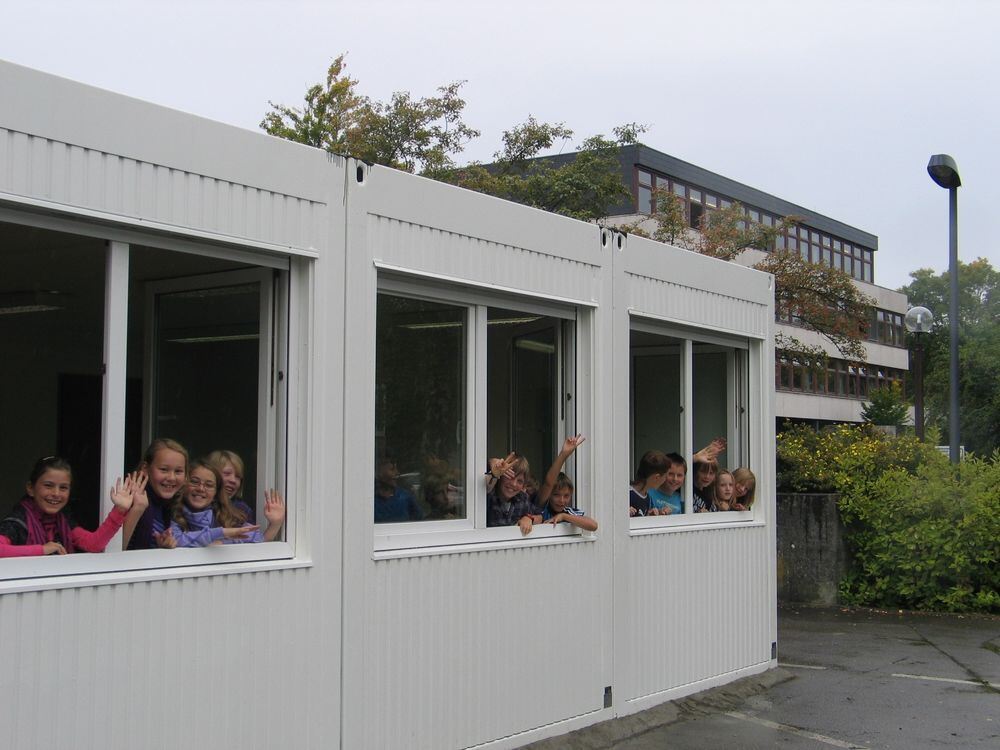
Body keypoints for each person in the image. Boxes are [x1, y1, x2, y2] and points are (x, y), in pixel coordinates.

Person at [0, 456, 145, 557]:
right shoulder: (19, 520)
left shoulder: (63, 520)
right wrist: (42, 550)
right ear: (31, 488)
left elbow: (93, 544)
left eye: (63, 488)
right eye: (48, 486)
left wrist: (119, 509)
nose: (56, 493)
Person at [169, 459, 284, 546]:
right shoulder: (173, 513)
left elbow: (259, 541)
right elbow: (177, 540)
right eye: (194, 482)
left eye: (209, 485)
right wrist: (221, 533)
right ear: (183, 484)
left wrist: (275, 523)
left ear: (216, 493)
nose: (201, 489)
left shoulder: (227, 516)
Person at [123, 438, 187, 550]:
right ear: (145, 469)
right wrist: (137, 509)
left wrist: (162, 547)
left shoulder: (173, 504)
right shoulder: (127, 498)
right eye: (164, 469)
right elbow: (113, 549)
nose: (172, 478)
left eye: (178, 471)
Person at [530, 435, 597, 533]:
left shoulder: (567, 512)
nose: (561, 500)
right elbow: (549, 483)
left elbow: (593, 526)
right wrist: (563, 454)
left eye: (566, 496)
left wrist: (563, 516)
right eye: (556, 495)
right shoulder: (542, 508)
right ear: (549, 495)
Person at [485, 452, 539, 534]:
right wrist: (492, 464)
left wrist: (528, 518)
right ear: (501, 475)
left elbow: (540, 516)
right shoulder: (489, 494)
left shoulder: (522, 498)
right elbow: (487, 483)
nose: (514, 484)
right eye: (510, 477)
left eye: (520, 481)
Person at [206, 449, 255, 523]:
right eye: (227, 473)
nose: (233, 480)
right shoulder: (197, 503)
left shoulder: (242, 510)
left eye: (238, 476)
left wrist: (273, 524)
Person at [374, 457, 424, 523]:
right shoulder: (370, 499)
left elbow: (419, 521)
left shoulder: (405, 497)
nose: (397, 473)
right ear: (378, 474)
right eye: (392, 469)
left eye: (396, 469)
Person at [629, 450, 669, 517]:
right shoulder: (627, 494)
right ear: (657, 477)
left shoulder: (647, 497)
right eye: (665, 476)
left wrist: (649, 516)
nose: (666, 479)